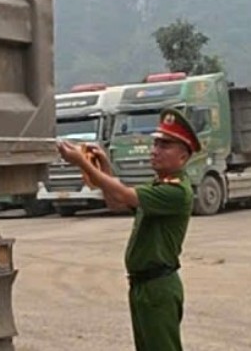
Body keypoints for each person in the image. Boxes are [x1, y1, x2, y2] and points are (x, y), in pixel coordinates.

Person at [57, 107, 200, 351]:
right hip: (143, 285)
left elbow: (123, 193)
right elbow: (117, 202)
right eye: (155, 144)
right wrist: (104, 166)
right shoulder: (160, 186)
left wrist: (82, 162)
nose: (155, 151)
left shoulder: (175, 192)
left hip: (158, 286)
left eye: (164, 146)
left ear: (183, 157)